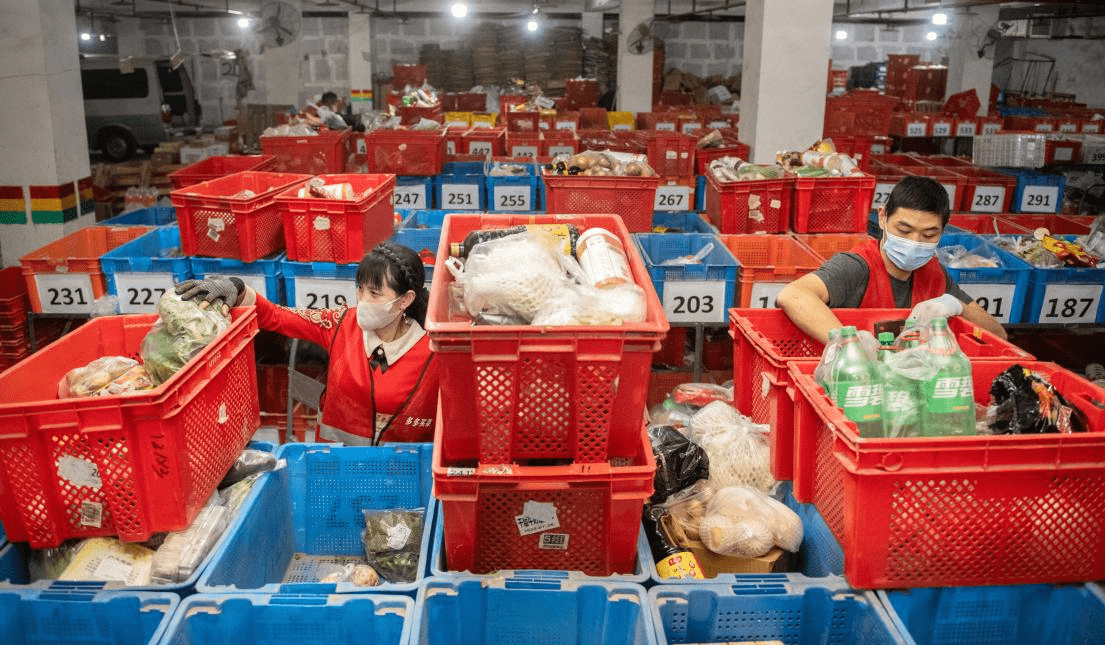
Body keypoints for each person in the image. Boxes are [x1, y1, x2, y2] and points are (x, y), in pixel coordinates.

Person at [175, 242, 438, 445]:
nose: (363, 300)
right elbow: (278, 316)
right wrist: (238, 288)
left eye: (375, 293)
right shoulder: (340, 323)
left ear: (405, 300)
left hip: (400, 471)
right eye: (360, 289)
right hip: (333, 462)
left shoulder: (434, 350)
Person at [776, 175, 1008, 343]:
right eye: (904, 230)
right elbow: (794, 295)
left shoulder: (934, 275)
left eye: (929, 235)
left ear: (943, 231)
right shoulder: (856, 267)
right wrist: (849, 347)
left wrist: (954, 304)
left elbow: (998, 334)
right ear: (883, 217)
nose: (915, 242)